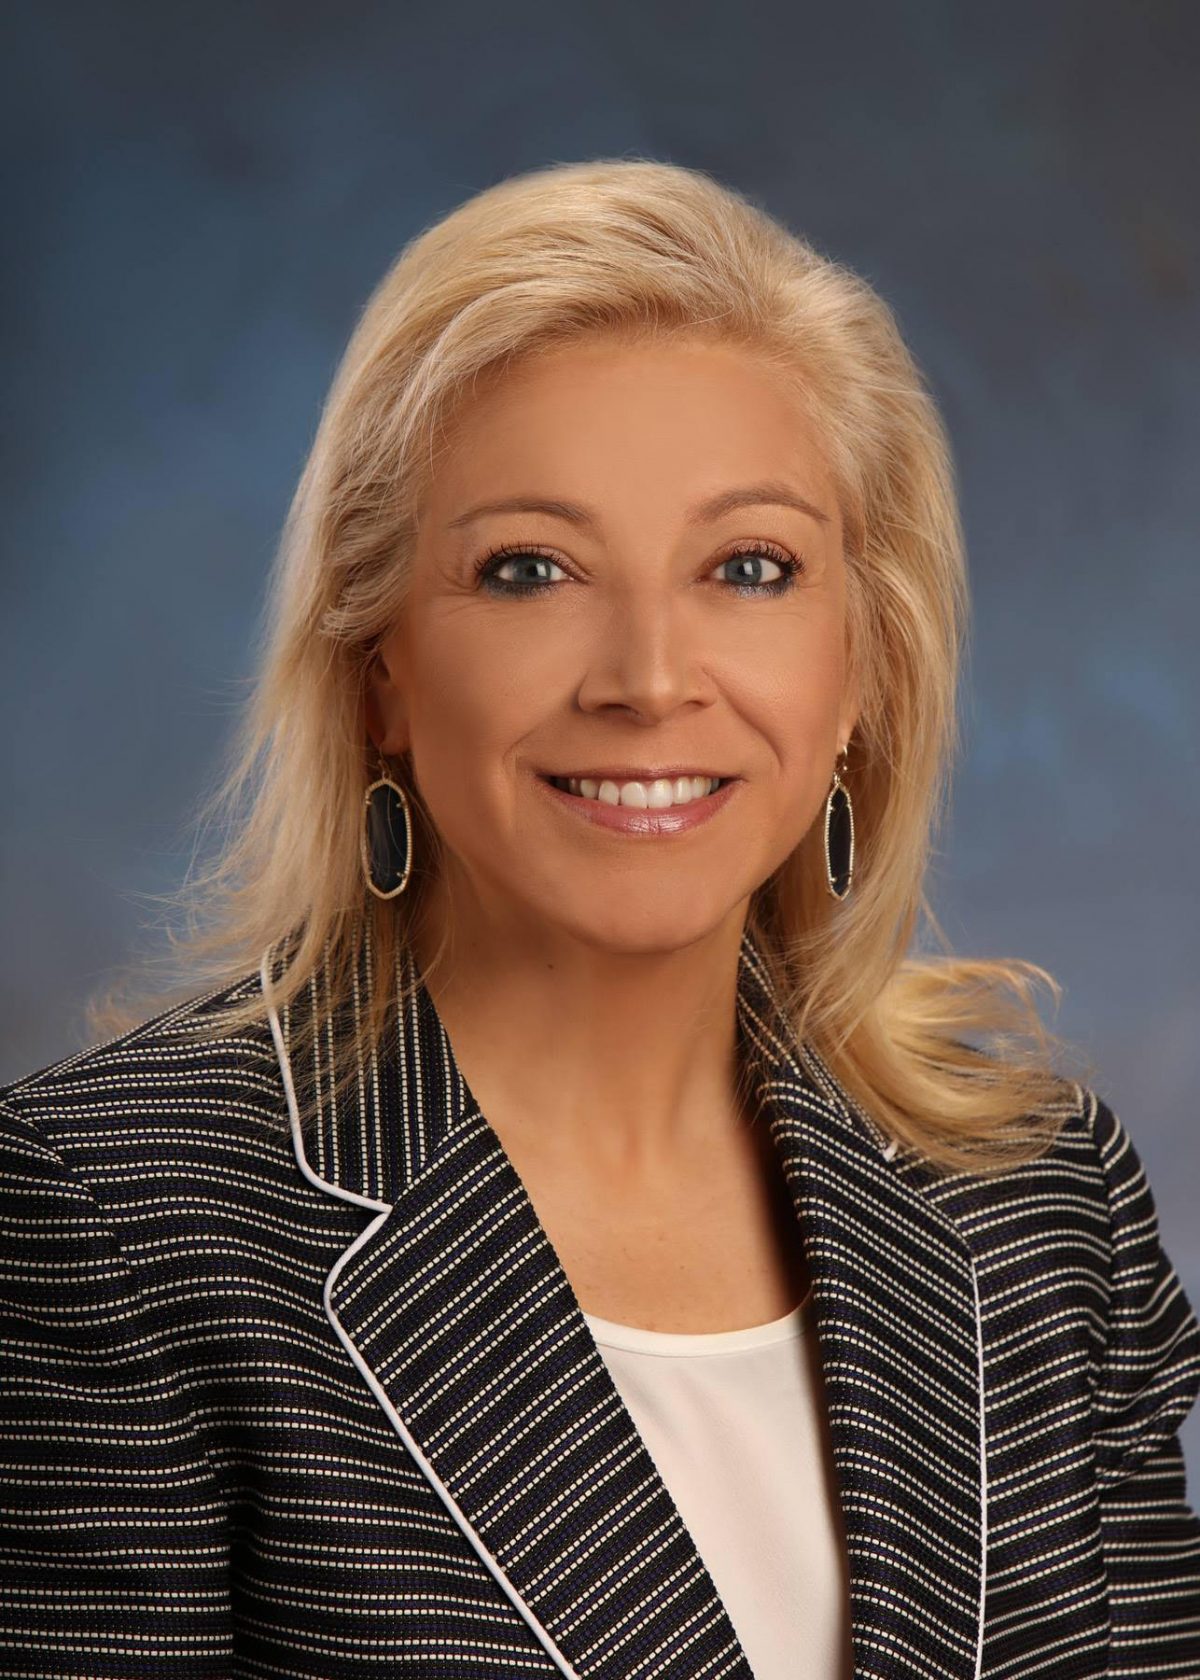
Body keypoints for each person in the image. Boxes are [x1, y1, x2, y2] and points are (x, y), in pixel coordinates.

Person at [1, 158, 1197, 1680]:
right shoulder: (114, 1217)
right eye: (530, 571)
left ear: (864, 669)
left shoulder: (1042, 1202)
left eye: (749, 569)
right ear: (377, 669)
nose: (647, 677)